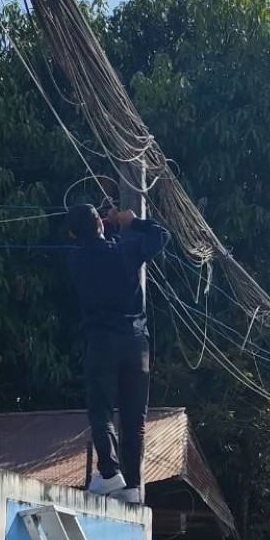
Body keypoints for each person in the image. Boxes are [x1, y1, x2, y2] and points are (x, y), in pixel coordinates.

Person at [66, 199, 170, 503]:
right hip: (136, 344)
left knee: (101, 410)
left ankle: (111, 473)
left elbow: (94, 249)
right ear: (100, 223)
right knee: (134, 418)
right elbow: (161, 235)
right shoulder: (126, 250)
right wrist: (131, 221)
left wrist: (107, 227)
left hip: (102, 342)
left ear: (74, 234)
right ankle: (133, 486)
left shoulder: (75, 260)